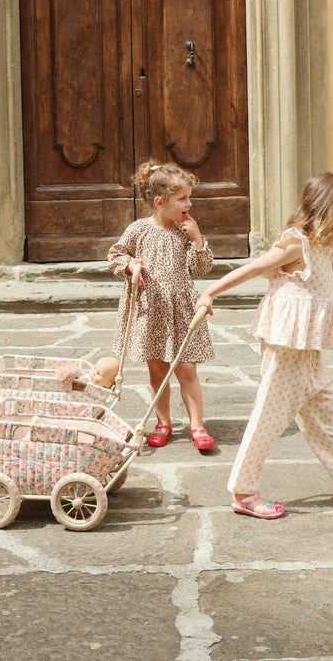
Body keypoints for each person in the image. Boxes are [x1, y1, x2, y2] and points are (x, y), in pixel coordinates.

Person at [196, 172, 333, 519]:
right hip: (287, 347)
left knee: (326, 407)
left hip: (307, 349)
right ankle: (243, 491)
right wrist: (210, 292)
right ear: (332, 213)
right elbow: (254, 268)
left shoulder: (322, 246)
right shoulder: (295, 243)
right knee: (270, 416)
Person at [108, 159, 216, 450]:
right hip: (150, 312)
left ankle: (197, 425)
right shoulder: (138, 230)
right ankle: (163, 422)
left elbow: (201, 267)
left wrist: (197, 240)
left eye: (189, 197)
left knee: (187, 370)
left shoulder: (185, 231)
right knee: (157, 371)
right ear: (159, 202)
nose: (189, 204)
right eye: (182, 198)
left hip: (180, 311)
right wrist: (130, 265)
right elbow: (116, 255)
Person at [54, 356, 120, 390]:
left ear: (107, 384)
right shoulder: (87, 376)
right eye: (95, 368)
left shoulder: (96, 391)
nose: (94, 373)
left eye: (99, 374)